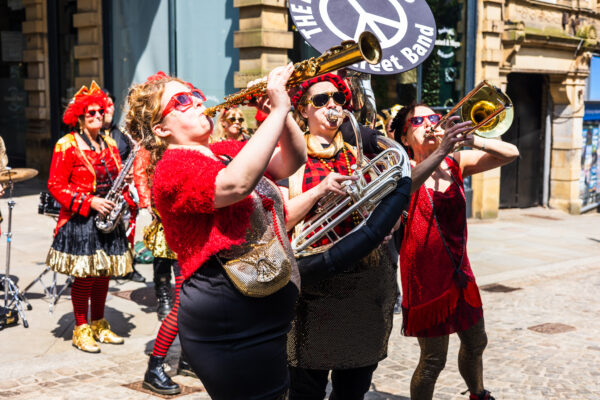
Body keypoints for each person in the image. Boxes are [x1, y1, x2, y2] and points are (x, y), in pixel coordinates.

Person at [125, 65, 306, 399]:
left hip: (263, 309)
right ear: (161, 129)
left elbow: (291, 161)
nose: (196, 101)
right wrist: (278, 110)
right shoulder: (171, 168)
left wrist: (282, 113)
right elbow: (236, 184)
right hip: (230, 322)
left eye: (194, 93)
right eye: (180, 100)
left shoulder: (225, 150)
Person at [284, 73, 401, 400]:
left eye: (337, 99)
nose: (332, 105)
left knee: (355, 385)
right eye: (321, 100)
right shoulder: (291, 159)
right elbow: (282, 218)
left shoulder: (360, 155)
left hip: (362, 285)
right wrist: (319, 190)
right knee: (306, 386)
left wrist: (387, 222)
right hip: (313, 285)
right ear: (303, 110)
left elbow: (385, 211)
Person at [391, 102, 519, 400]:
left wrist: (470, 138)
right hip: (425, 279)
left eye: (434, 118)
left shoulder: (456, 162)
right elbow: (408, 188)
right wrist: (440, 151)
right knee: (434, 360)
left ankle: (478, 393)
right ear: (405, 137)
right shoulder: (402, 168)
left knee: (477, 342)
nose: (429, 124)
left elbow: (511, 153)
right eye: (417, 121)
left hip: (460, 271)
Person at [46, 81, 133, 353]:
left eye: (100, 112)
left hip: (108, 217)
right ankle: (80, 328)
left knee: (104, 275)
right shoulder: (66, 144)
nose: (97, 116)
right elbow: (55, 185)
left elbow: (115, 177)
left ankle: (99, 324)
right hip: (81, 220)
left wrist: (126, 180)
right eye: (91, 113)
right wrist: (89, 201)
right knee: (85, 277)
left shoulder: (108, 142)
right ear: (79, 117)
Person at [133, 144, 193, 395]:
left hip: (191, 241)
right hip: (180, 239)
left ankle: (189, 360)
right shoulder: (164, 160)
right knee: (181, 307)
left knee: (192, 305)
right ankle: (154, 367)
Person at [102, 90, 145, 283]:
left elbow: (134, 159)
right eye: (103, 106)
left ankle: (128, 266)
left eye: (110, 105)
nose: (107, 110)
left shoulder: (121, 134)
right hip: (99, 194)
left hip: (121, 193)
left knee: (128, 229)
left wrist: (131, 172)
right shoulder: (85, 137)